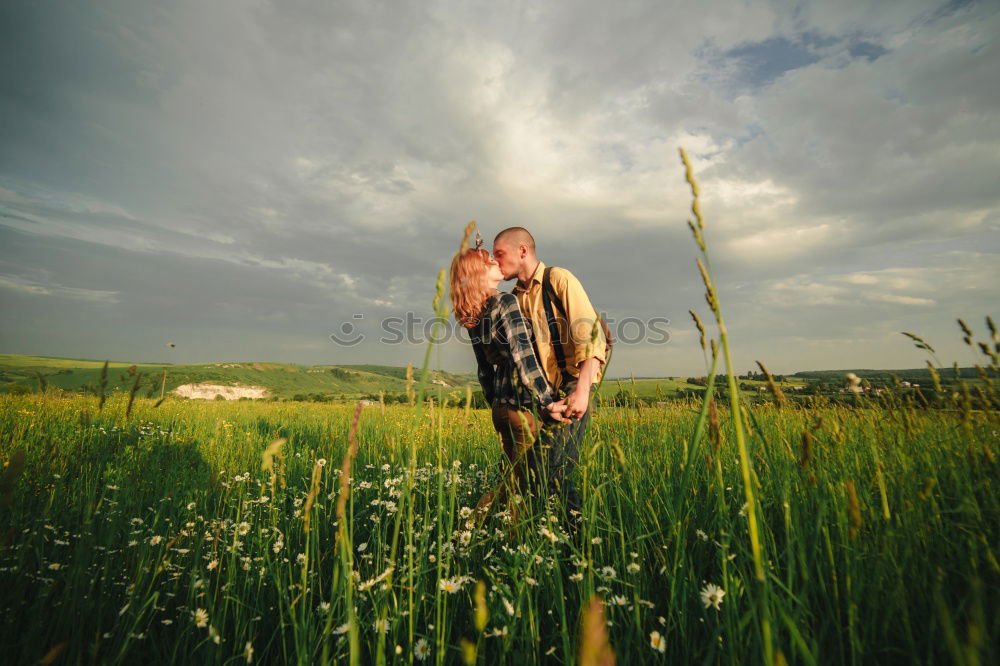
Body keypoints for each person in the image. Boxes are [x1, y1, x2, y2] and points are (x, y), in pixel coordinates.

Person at [490, 227, 608, 521]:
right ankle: (553, 534)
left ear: (522, 251)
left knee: (554, 468)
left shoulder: (558, 279)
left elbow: (590, 336)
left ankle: (576, 543)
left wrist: (581, 391)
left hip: (574, 385)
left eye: (499, 253)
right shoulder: (513, 297)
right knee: (543, 470)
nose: (496, 260)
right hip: (546, 396)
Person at [449, 245, 569, 524]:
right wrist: (546, 400)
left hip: (501, 410)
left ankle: (485, 531)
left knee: (512, 476)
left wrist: (495, 403)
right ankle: (475, 530)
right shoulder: (505, 302)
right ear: (479, 272)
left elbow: (484, 371)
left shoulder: (475, 314)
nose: (496, 263)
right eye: (489, 261)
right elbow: (523, 356)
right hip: (521, 407)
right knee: (521, 485)